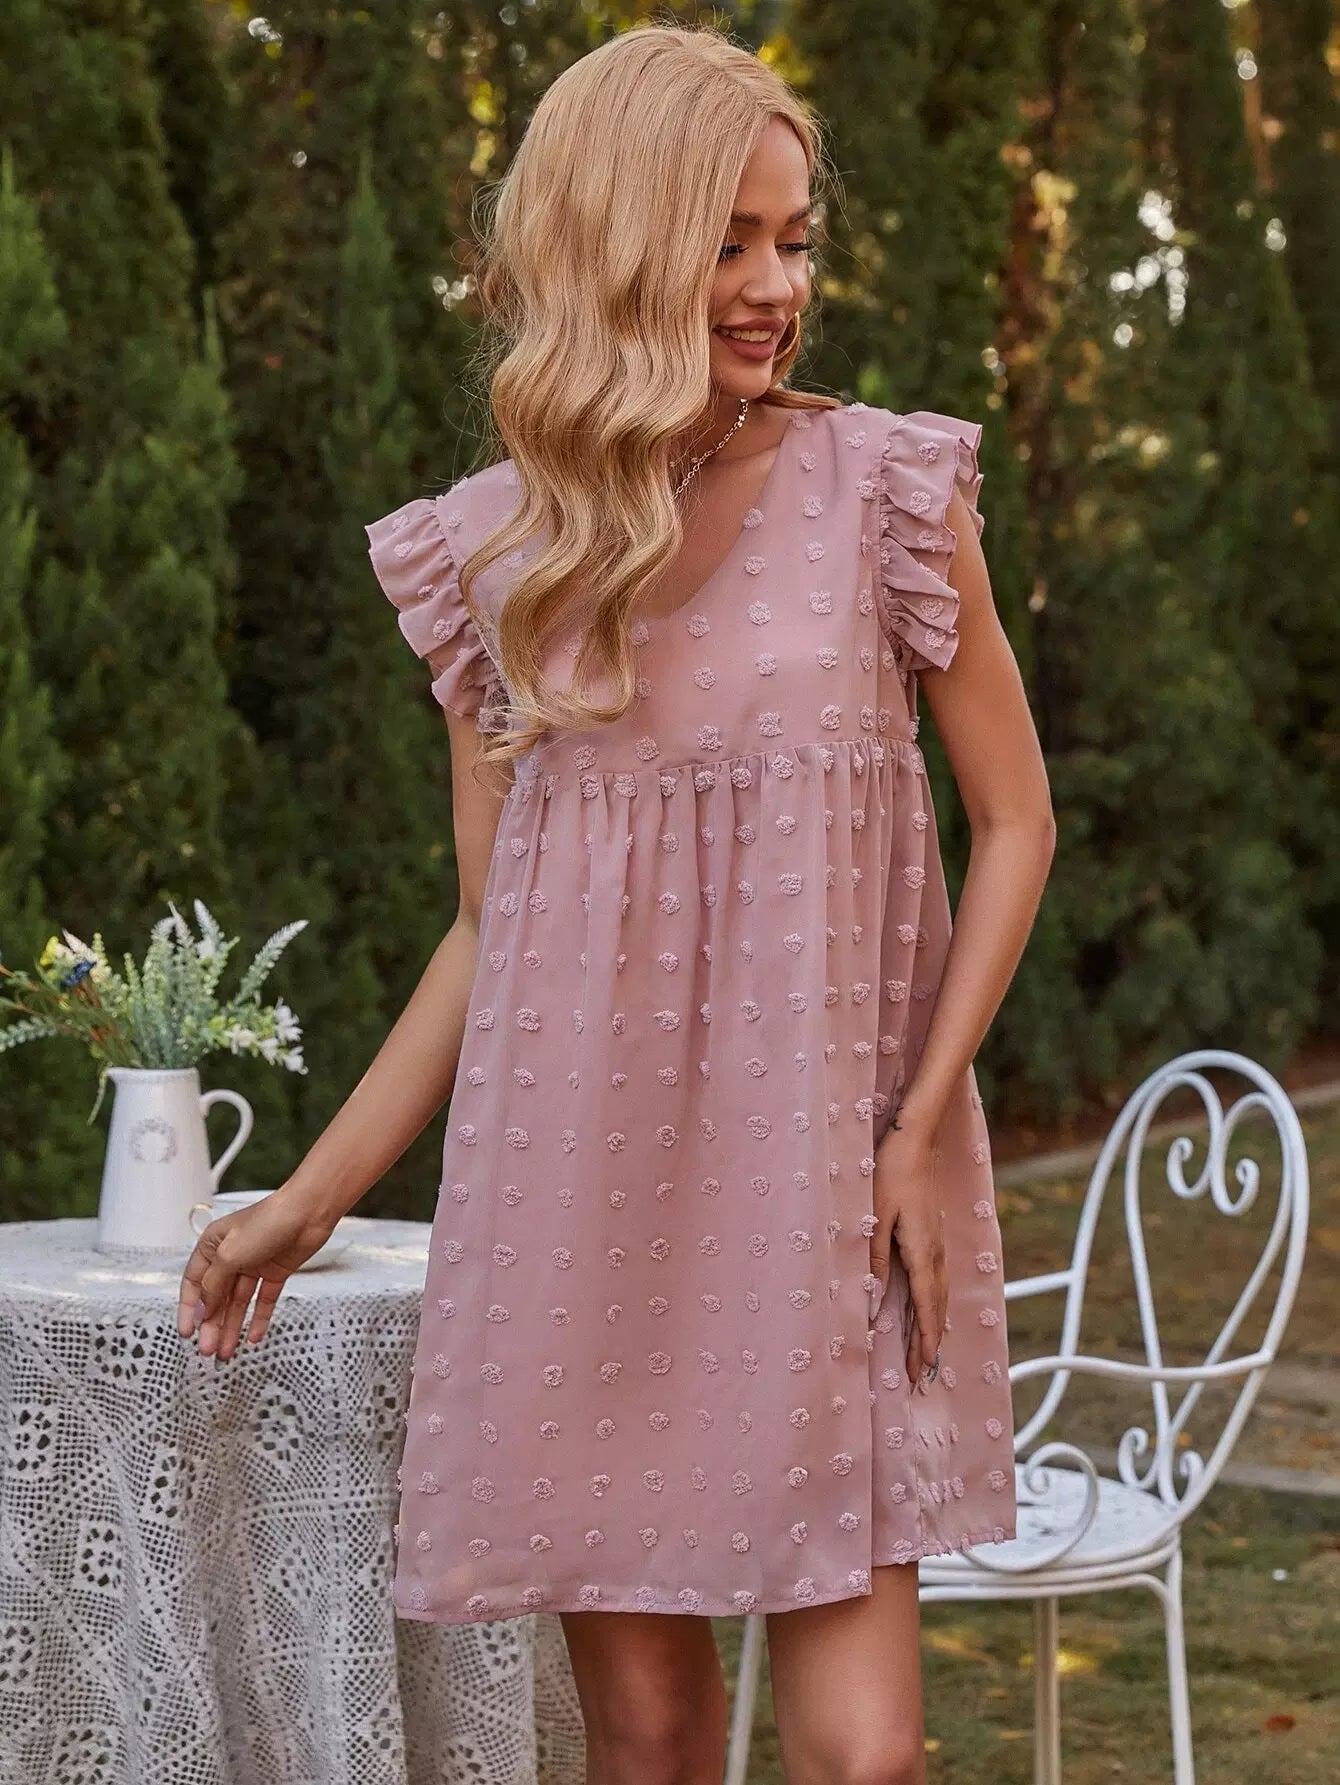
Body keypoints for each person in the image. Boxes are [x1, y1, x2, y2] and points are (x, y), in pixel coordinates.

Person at [177, 22, 1054, 1784]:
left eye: (793, 240)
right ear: (619, 248)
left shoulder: (886, 489)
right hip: (589, 1200)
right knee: (647, 1740)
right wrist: (310, 1195)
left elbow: (1016, 820)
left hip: (831, 1179)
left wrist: (921, 1122)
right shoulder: (499, 555)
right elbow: (487, 931)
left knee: (868, 1750)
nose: (777, 285)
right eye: (729, 241)